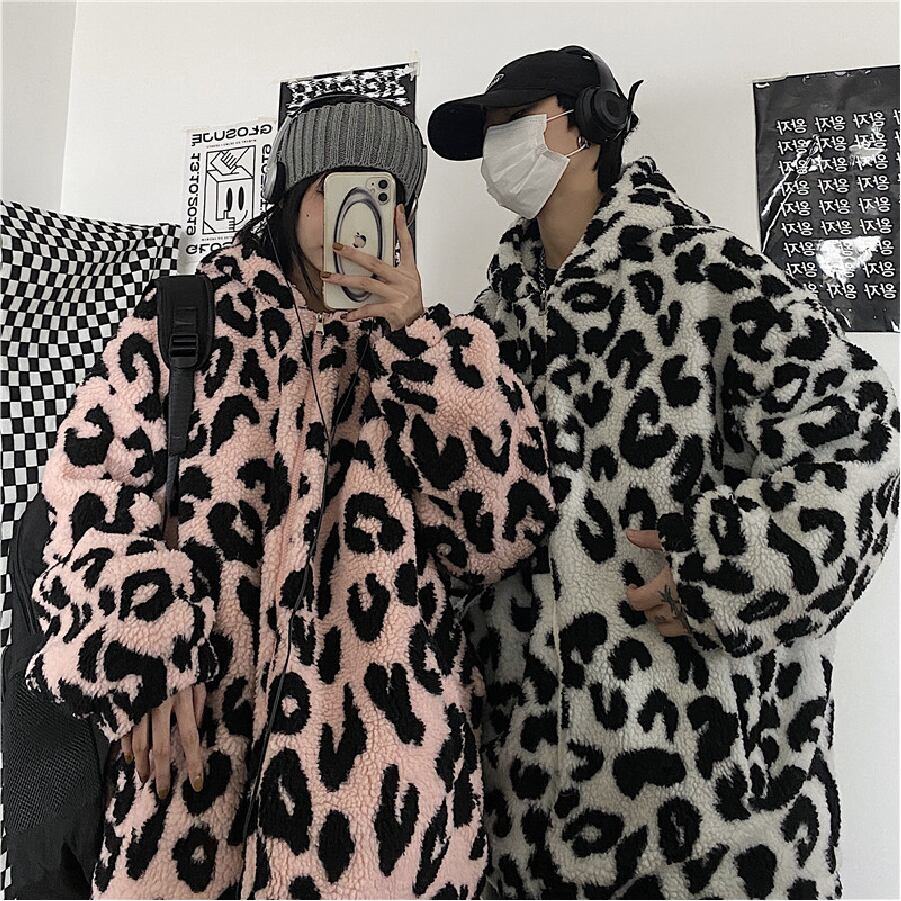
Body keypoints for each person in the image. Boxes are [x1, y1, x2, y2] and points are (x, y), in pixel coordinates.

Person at [23, 94, 556, 899]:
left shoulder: (439, 349)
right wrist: (144, 640)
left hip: (382, 798)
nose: (354, 214)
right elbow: (81, 492)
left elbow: (501, 529)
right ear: (292, 191)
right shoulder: (187, 319)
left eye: (382, 193)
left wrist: (417, 343)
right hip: (190, 768)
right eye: (334, 188)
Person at [428, 46, 900, 898]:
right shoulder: (487, 325)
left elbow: (860, 434)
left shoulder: (704, 274)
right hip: (527, 818)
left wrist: (726, 569)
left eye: (512, 121)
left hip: (712, 817)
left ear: (589, 122)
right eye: (486, 131)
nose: (497, 147)